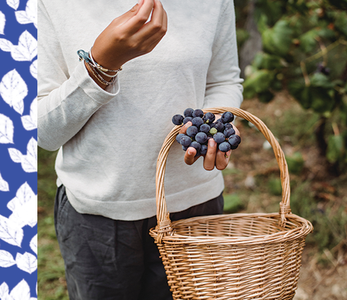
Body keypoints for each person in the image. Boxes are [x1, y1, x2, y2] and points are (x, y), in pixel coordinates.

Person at [37, 0, 243, 299]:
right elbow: (43, 131)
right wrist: (100, 66)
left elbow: (223, 79)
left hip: (195, 207)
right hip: (98, 216)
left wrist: (208, 125)